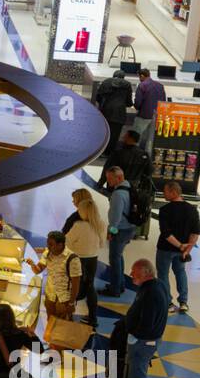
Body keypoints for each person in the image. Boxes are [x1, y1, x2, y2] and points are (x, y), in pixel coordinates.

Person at [112, 260, 170, 378]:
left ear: (146, 273)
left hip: (143, 343)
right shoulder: (156, 286)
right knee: (137, 376)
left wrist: (133, 333)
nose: (131, 275)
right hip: (146, 340)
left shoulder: (151, 293)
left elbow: (147, 323)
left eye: (134, 272)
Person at [63, 187, 107, 329]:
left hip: (77, 259)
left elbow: (66, 242)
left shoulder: (78, 225)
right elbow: (102, 243)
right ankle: (93, 318)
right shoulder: (100, 224)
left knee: (71, 287)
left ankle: (67, 316)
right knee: (90, 287)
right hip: (93, 259)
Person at [156, 181, 200, 313]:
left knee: (163, 274)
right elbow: (195, 232)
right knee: (180, 272)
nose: (164, 193)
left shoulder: (165, 210)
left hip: (165, 249)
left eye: (166, 191)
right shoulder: (192, 210)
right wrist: (187, 249)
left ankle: (168, 302)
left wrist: (181, 246)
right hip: (182, 252)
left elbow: (166, 234)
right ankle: (183, 302)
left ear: (173, 192)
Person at [28, 230, 82, 321]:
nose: (48, 247)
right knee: (50, 322)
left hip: (64, 300)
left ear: (60, 245)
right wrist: (33, 264)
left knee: (62, 327)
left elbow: (76, 284)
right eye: (48, 244)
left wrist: (71, 303)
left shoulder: (72, 259)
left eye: (51, 244)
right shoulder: (47, 253)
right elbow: (38, 271)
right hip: (50, 296)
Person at [104, 166, 137, 297]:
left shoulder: (118, 194)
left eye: (110, 178)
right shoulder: (129, 187)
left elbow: (115, 218)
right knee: (119, 256)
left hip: (120, 230)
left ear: (119, 177)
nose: (108, 181)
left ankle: (115, 289)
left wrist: (111, 231)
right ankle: (120, 284)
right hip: (130, 228)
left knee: (114, 259)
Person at [99, 127, 153, 199]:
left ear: (130, 138)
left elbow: (108, 169)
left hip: (116, 187)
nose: (123, 137)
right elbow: (149, 171)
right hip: (133, 188)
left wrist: (100, 183)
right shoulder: (144, 155)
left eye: (125, 136)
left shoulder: (118, 153)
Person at [94, 68, 132, 159]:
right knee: (114, 135)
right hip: (119, 114)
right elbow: (128, 102)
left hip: (105, 112)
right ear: (123, 77)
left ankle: (99, 151)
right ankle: (108, 153)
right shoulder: (127, 85)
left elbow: (98, 97)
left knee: (103, 133)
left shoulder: (106, 82)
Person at [131, 68, 165, 150]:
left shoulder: (142, 85)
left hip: (144, 115)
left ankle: (134, 155)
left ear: (142, 76)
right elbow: (164, 101)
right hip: (155, 116)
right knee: (150, 139)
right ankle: (146, 157)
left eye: (139, 77)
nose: (139, 79)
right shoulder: (160, 85)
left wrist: (136, 107)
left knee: (136, 136)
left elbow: (138, 102)